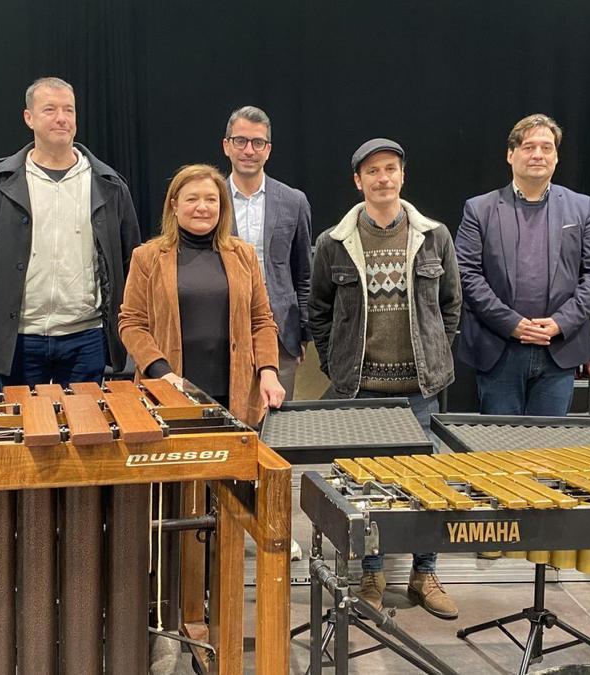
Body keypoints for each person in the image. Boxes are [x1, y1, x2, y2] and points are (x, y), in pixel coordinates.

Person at [308, 139, 462, 620]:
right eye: (372, 171)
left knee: (426, 485)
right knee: (369, 487)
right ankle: (372, 573)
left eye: (390, 169)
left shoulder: (433, 235)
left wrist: (432, 356)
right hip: (363, 393)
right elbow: (319, 312)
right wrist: (338, 367)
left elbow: (451, 306)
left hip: (419, 392)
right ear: (358, 181)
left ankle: (424, 573)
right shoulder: (333, 243)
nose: (382, 178)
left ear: (402, 175)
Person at [0, 77, 140, 387]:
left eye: (68, 110)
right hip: (19, 338)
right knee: (22, 430)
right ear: (29, 118)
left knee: (85, 432)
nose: (61, 118)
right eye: (49, 109)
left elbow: (132, 263)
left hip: (86, 336)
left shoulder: (108, 185)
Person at [456, 114, 590, 415]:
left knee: (548, 453)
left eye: (546, 147)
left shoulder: (583, 207)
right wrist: (512, 324)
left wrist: (560, 323)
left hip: (559, 351)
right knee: (498, 451)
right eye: (528, 147)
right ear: (511, 154)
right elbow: (467, 274)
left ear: (556, 156)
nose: (538, 154)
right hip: (499, 349)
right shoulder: (479, 209)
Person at [119, 164, 286, 424]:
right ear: (174, 205)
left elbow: (262, 320)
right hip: (168, 391)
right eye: (192, 199)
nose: (203, 207)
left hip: (236, 394)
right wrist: (162, 373)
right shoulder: (147, 257)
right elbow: (132, 323)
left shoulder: (244, 255)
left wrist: (268, 371)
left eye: (211, 199)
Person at [222, 106, 312, 399]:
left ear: (268, 150)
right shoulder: (209, 201)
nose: (249, 150)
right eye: (241, 141)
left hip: (280, 333)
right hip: (222, 331)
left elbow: (304, 274)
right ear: (227, 146)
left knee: (278, 426)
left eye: (257, 142)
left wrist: (302, 332)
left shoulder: (294, 202)